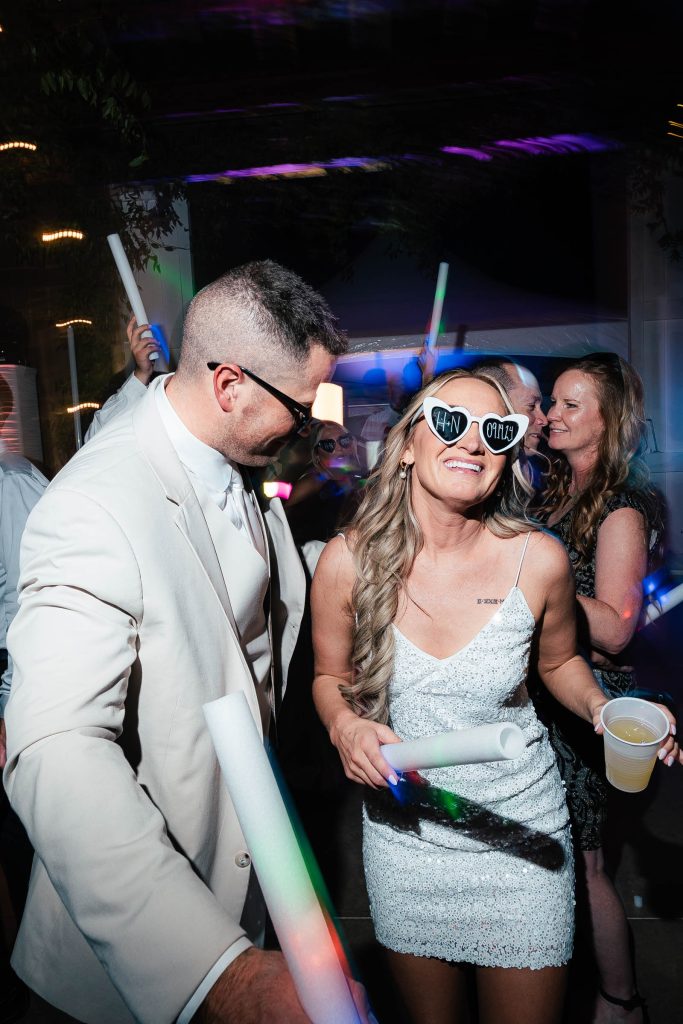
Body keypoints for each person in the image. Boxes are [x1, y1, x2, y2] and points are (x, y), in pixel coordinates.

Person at [3, 260, 371, 1024]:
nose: (305, 430)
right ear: (229, 385)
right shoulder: (97, 505)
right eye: (297, 411)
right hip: (140, 955)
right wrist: (216, 975)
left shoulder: (234, 460)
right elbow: (56, 748)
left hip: (248, 871)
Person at [310, 368, 679, 1024]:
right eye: (451, 422)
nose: (473, 443)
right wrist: (343, 725)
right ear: (406, 445)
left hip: (523, 841)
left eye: (496, 431)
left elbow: (561, 659)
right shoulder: (347, 561)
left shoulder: (537, 559)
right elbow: (328, 675)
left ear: (507, 455)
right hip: (409, 842)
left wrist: (602, 709)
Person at [537, 352, 670, 1024]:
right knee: (570, 865)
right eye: (552, 402)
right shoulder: (551, 491)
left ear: (607, 419)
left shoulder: (620, 506)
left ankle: (620, 1001)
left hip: (592, 703)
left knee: (586, 868)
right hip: (551, 698)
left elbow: (617, 629)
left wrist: (537, 578)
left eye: (569, 405)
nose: (551, 415)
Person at [286, 420, 364, 547]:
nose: (339, 448)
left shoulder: (353, 479)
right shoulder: (312, 482)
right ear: (317, 454)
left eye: (343, 441)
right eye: (328, 444)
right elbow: (281, 524)